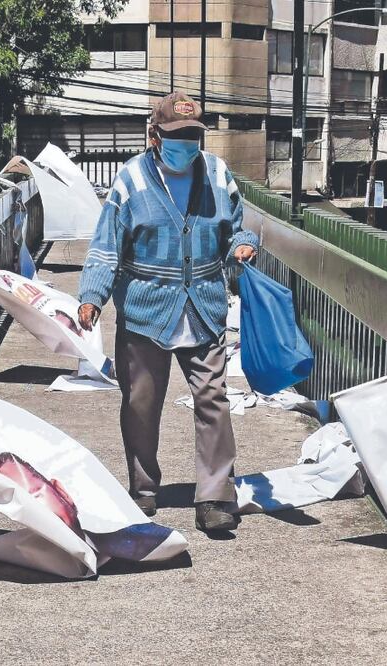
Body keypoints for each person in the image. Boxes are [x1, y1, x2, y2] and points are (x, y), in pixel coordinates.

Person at [76, 92, 258, 532]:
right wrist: (92, 297)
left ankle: (214, 497)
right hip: (146, 311)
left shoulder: (217, 174)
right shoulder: (130, 181)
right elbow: (106, 247)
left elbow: (237, 225)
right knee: (141, 403)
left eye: (194, 136)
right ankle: (142, 490)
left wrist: (243, 245)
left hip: (205, 309)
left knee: (213, 399)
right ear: (155, 136)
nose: (187, 144)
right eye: (177, 137)